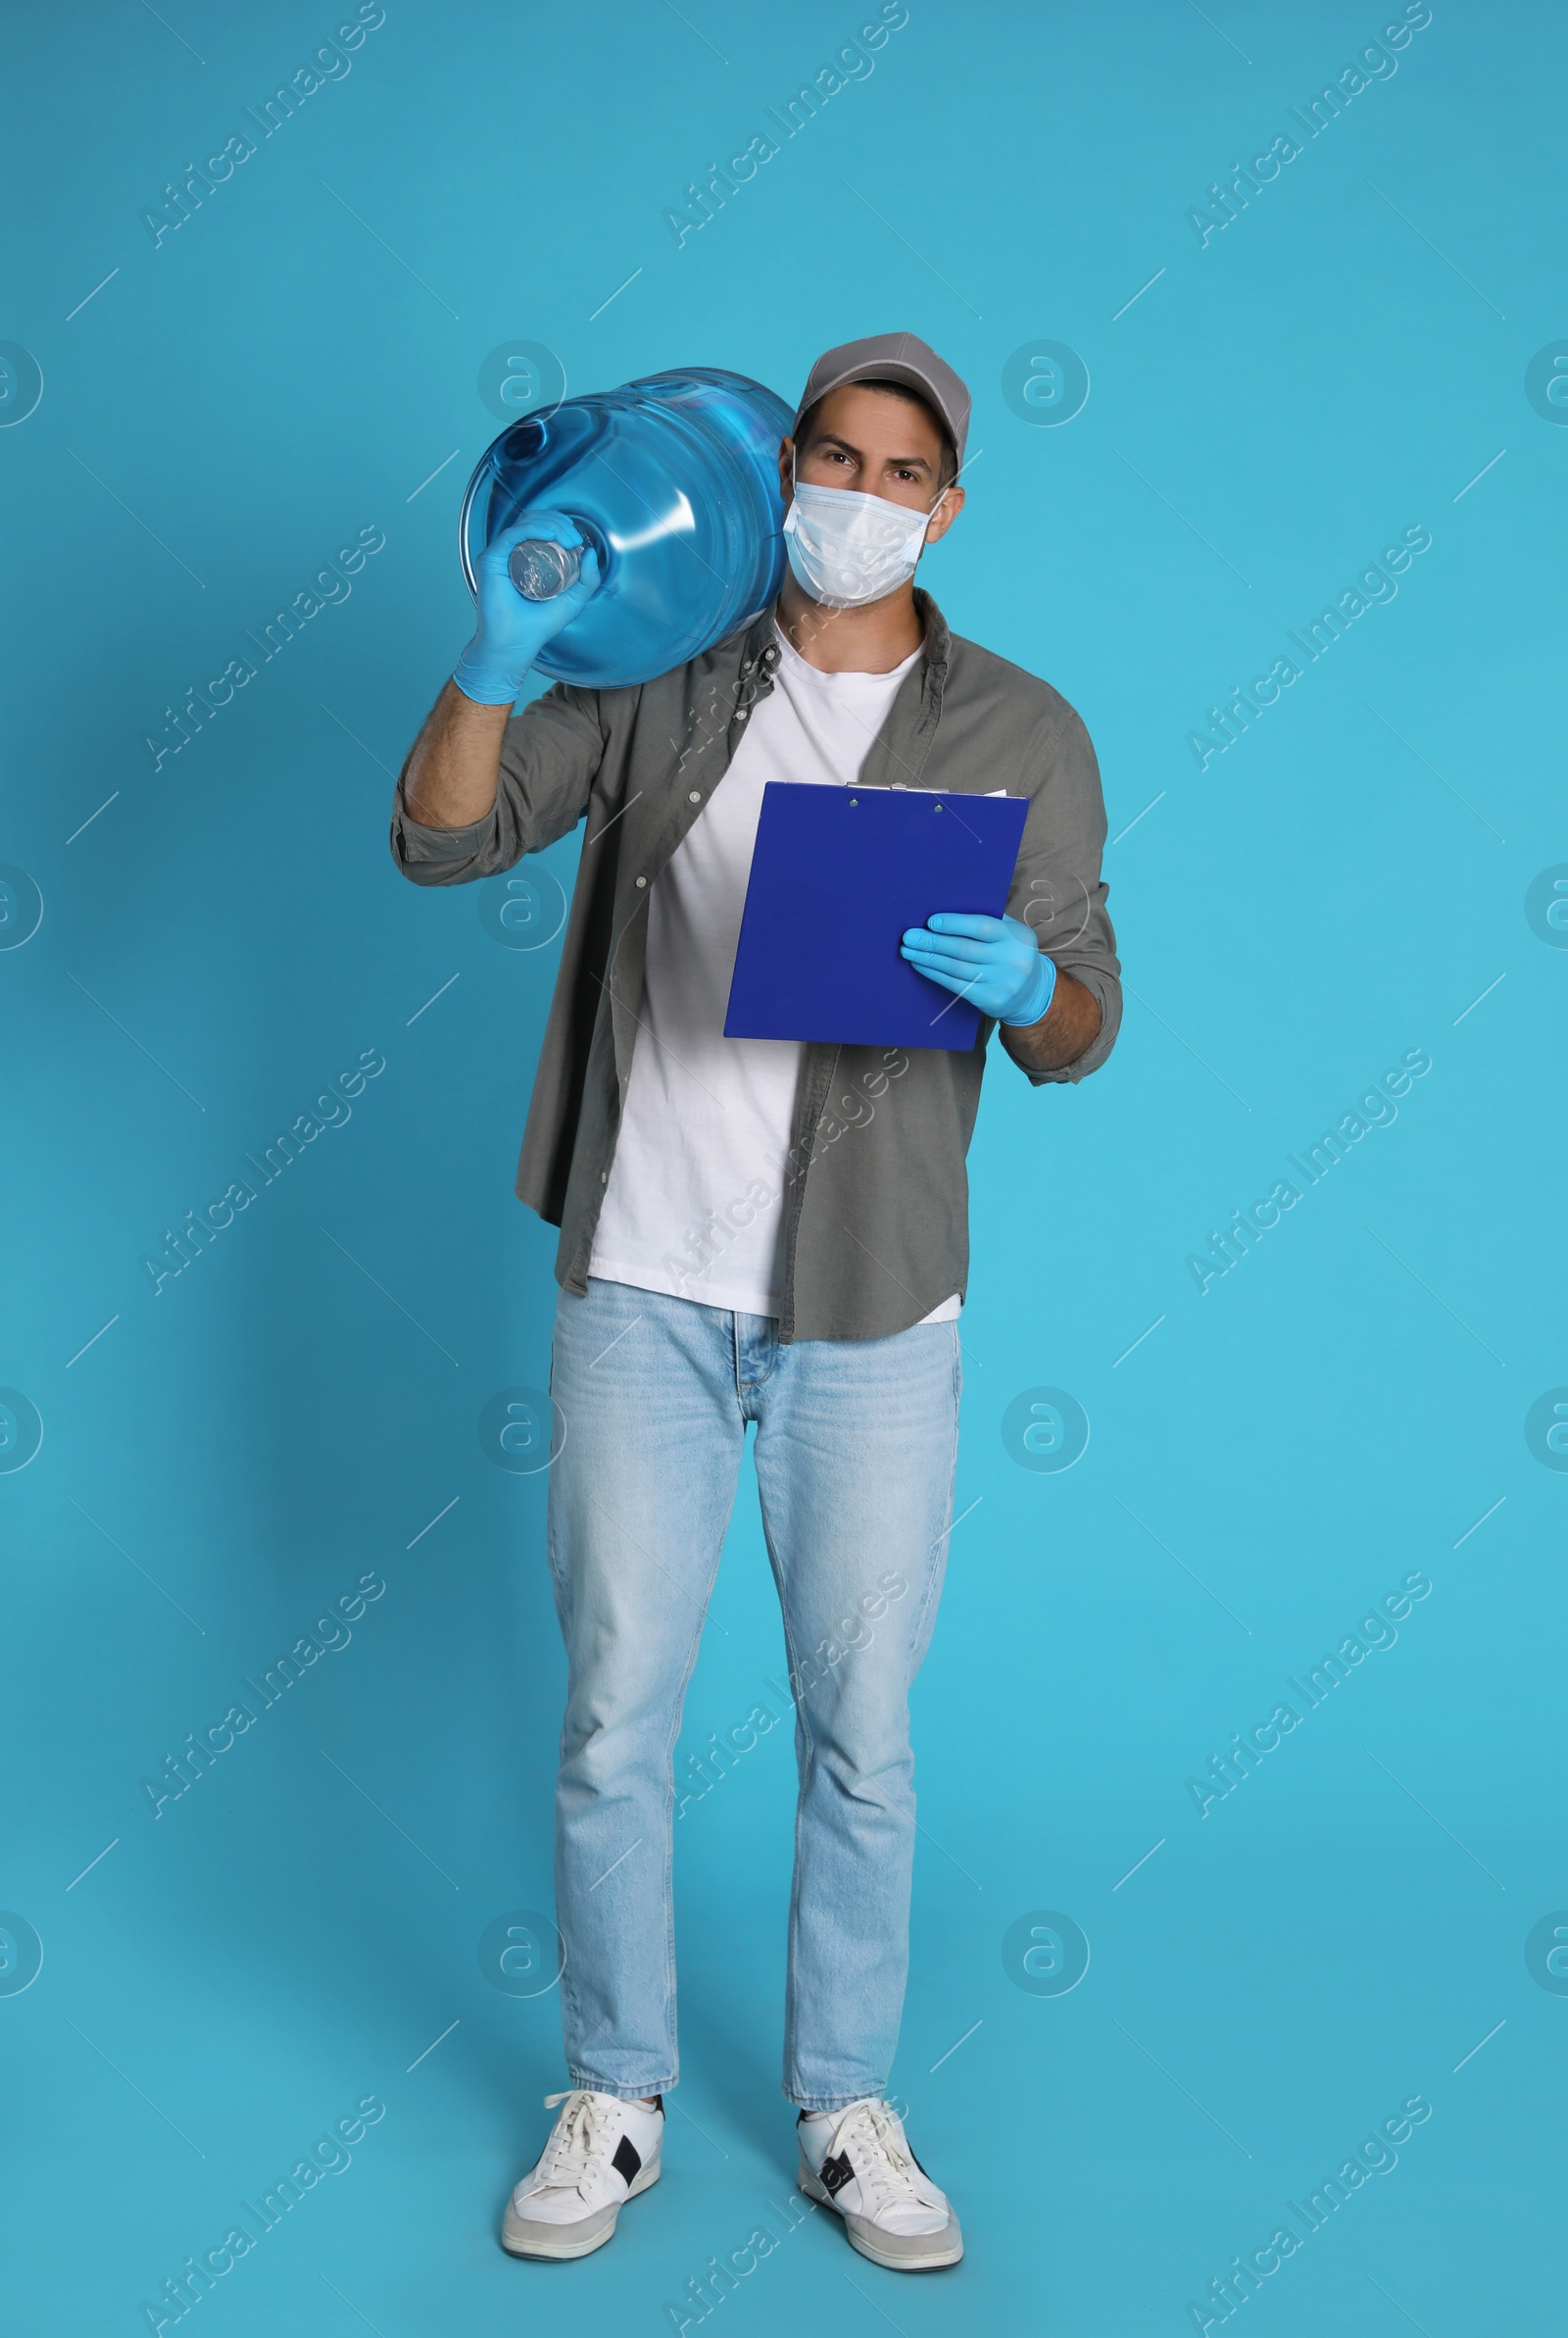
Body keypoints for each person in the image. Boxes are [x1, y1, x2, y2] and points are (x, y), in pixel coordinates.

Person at [389, 331, 1121, 2273]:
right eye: (832, 455)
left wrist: (1014, 988)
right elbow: (437, 833)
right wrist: (497, 652)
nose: (857, 496)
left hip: (869, 1306)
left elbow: (1084, 1022)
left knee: (858, 1726)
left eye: (900, 473)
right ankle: (612, 2086)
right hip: (642, 1278)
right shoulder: (655, 677)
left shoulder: (1022, 727)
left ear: (942, 505)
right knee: (616, 1707)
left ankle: (839, 2098)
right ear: (777, 464)